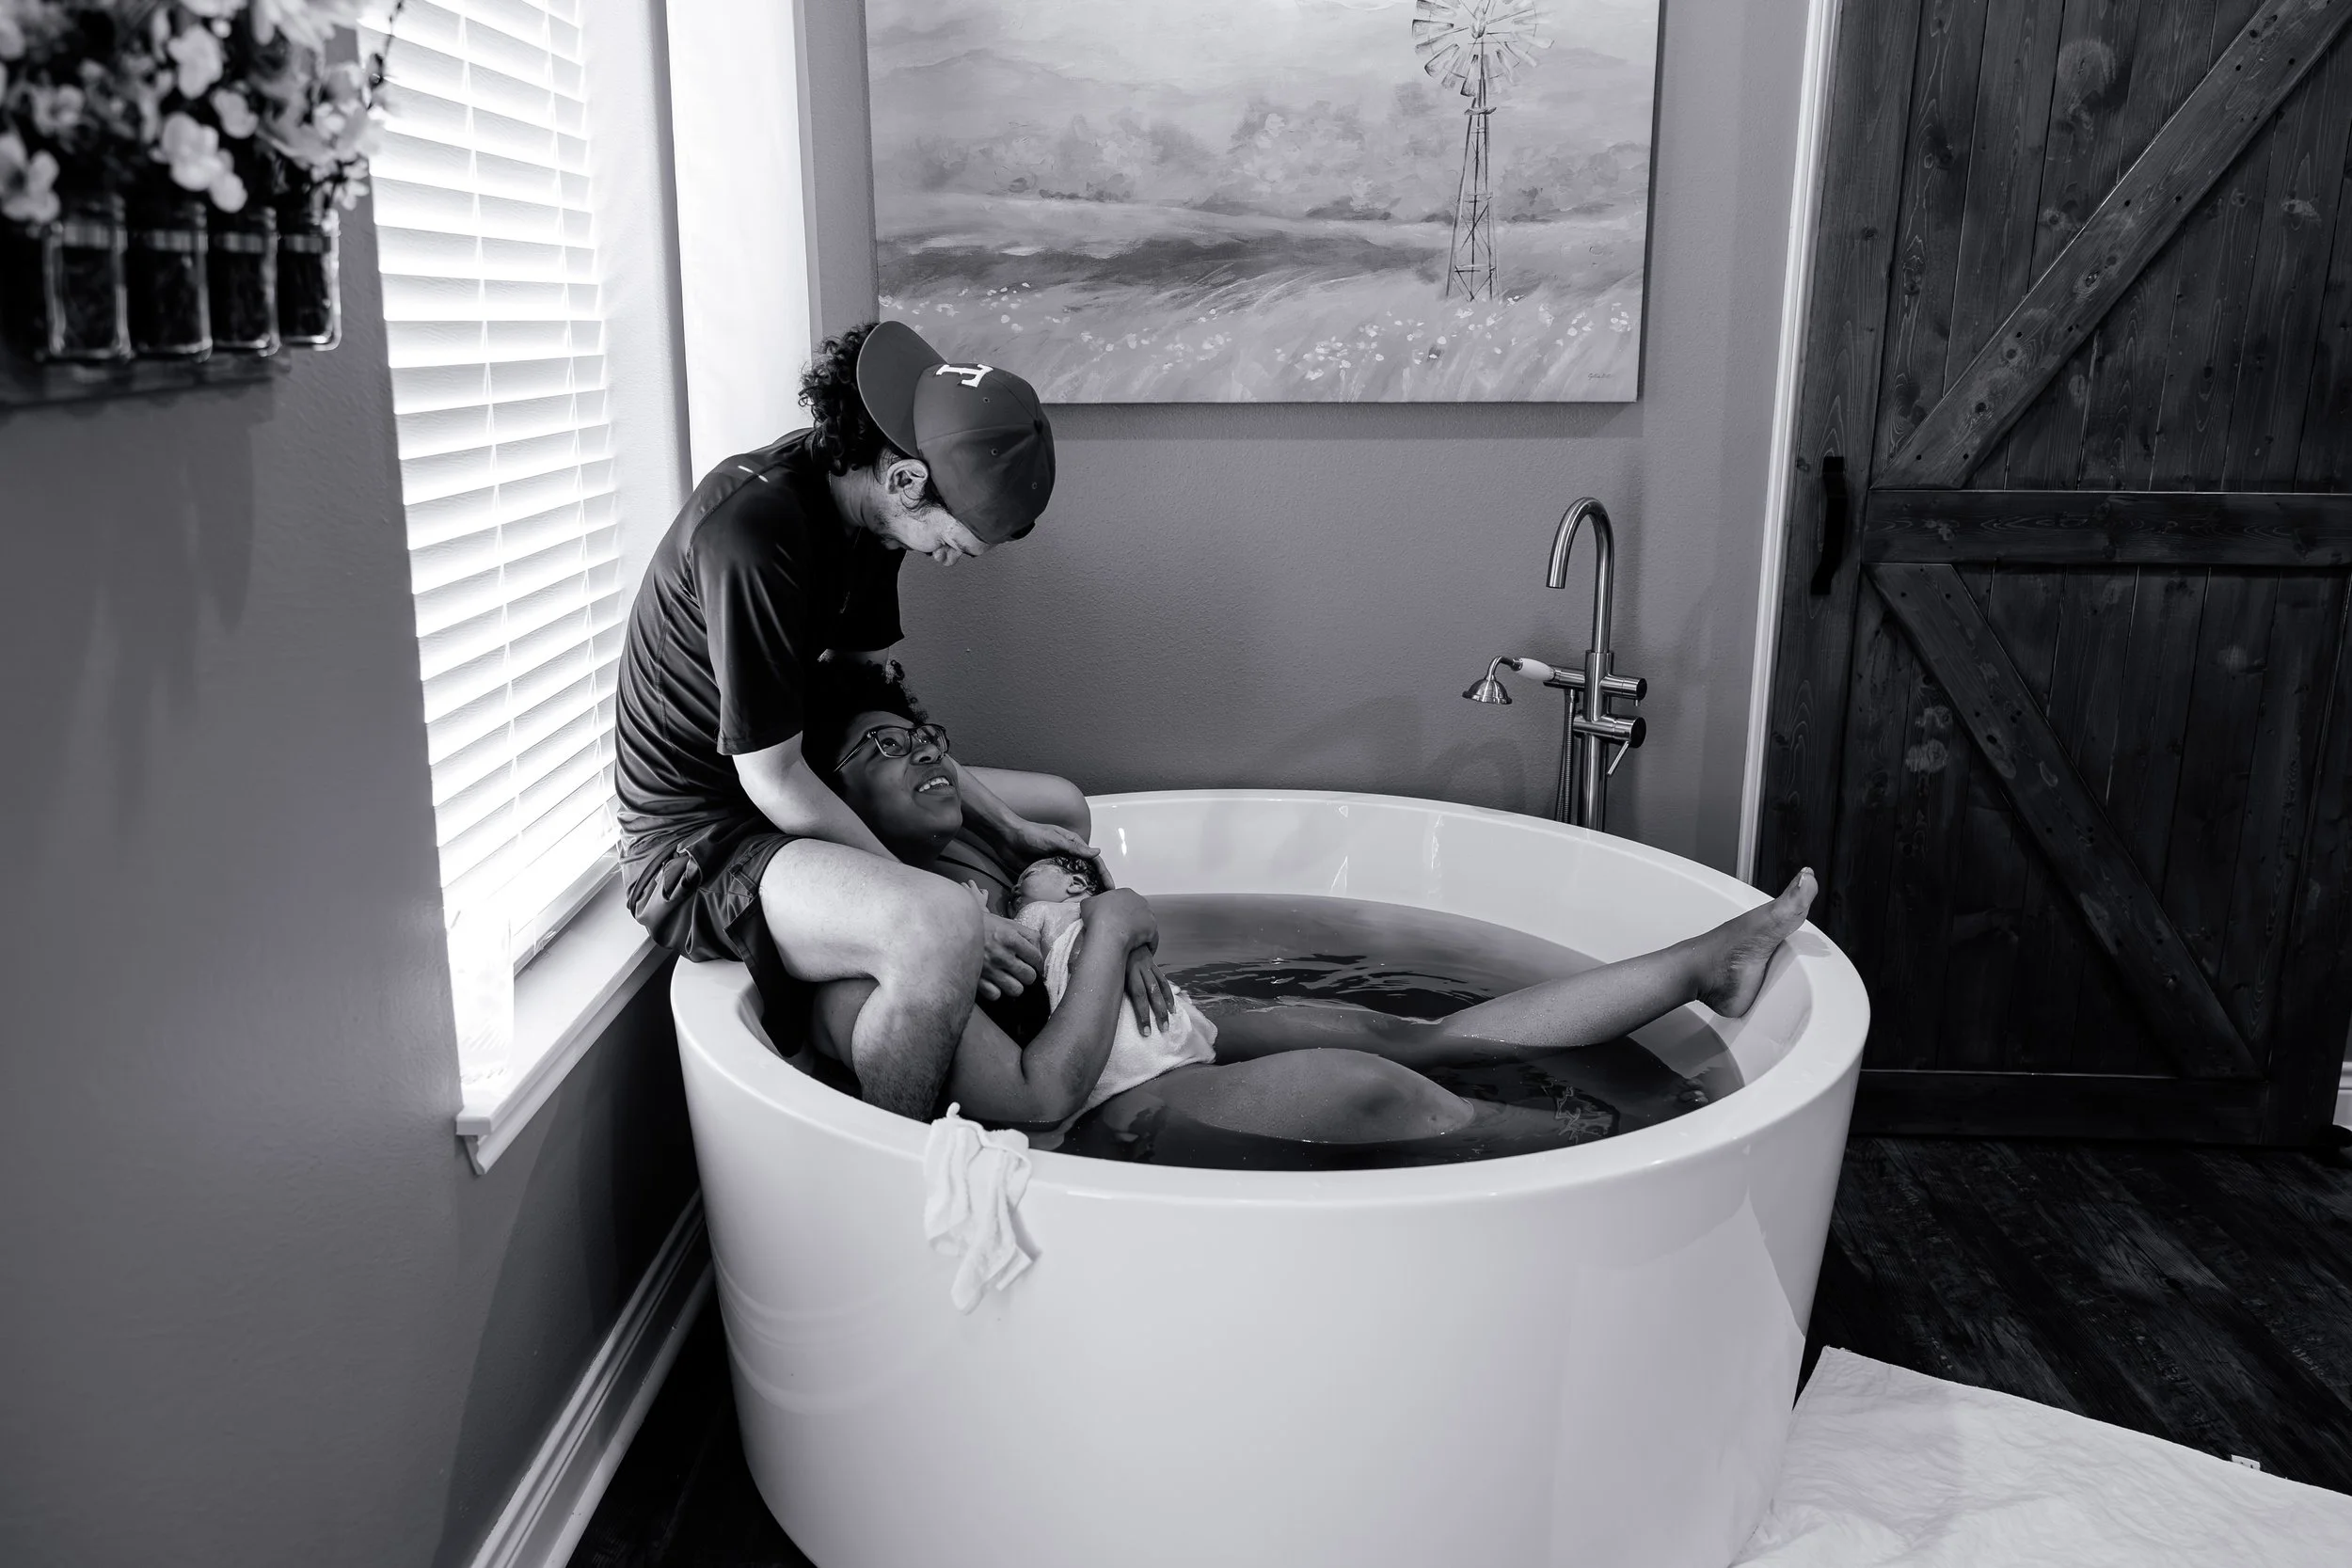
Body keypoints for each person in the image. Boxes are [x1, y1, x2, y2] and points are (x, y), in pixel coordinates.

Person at [803, 659, 1820, 1151]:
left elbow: (1061, 806)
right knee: (1375, 1089)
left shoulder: (981, 847)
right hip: (1099, 1112)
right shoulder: (894, 936)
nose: (928, 755)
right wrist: (1113, 928)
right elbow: (1034, 1096)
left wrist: (984, 814)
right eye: (881, 750)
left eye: (925, 734)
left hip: (1144, 1027)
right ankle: (1619, 1145)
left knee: (1401, 1029)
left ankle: (1703, 963)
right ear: (831, 798)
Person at [612, 321, 1154, 1119]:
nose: (948, 557)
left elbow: (872, 691)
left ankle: (919, 1066)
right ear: (906, 481)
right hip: (703, 843)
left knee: (1048, 817)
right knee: (939, 927)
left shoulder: (867, 517)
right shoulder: (754, 530)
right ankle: (890, 1172)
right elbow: (771, 775)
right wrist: (946, 899)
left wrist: (1004, 827)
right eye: (952, 539)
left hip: (797, 784)